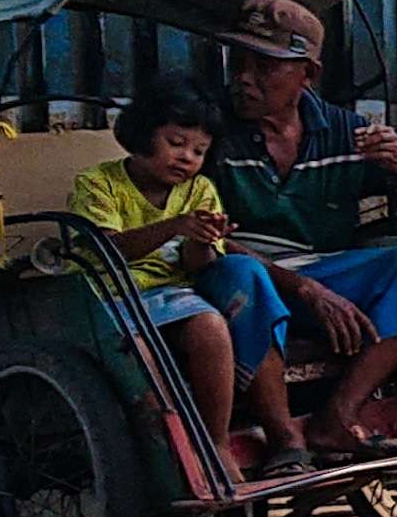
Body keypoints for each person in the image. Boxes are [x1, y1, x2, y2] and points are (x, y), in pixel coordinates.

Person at [192, 0, 397, 460]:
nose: (243, 78)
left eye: (264, 66)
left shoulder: (343, 131)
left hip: (326, 269)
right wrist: (305, 290)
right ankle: (284, 437)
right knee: (242, 274)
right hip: (238, 275)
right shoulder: (209, 129)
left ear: (307, 74)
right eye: (237, 62)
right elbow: (205, 235)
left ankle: (338, 415)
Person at [67, 72, 307, 474]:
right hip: (112, 297)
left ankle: (215, 444)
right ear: (143, 135)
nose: (186, 158)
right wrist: (174, 227)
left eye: (198, 151)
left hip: (175, 296)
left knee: (210, 326)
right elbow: (107, 250)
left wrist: (202, 239)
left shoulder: (201, 190)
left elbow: (200, 268)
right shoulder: (98, 184)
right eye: (175, 144)